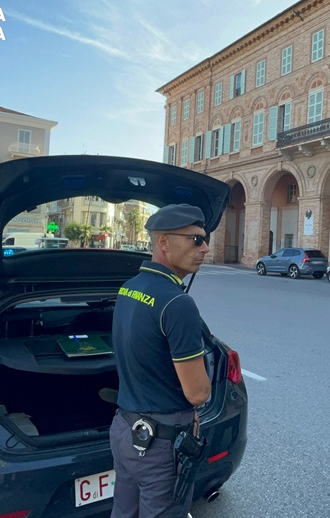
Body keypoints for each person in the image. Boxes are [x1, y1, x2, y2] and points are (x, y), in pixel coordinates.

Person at [110, 203, 212, 518]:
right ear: (163, 243)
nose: (205, 248)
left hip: (125, 430)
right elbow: (198, 393)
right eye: (195, 239)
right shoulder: (178, 303)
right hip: (160, 444)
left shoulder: (129, 288)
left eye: (204, 239)